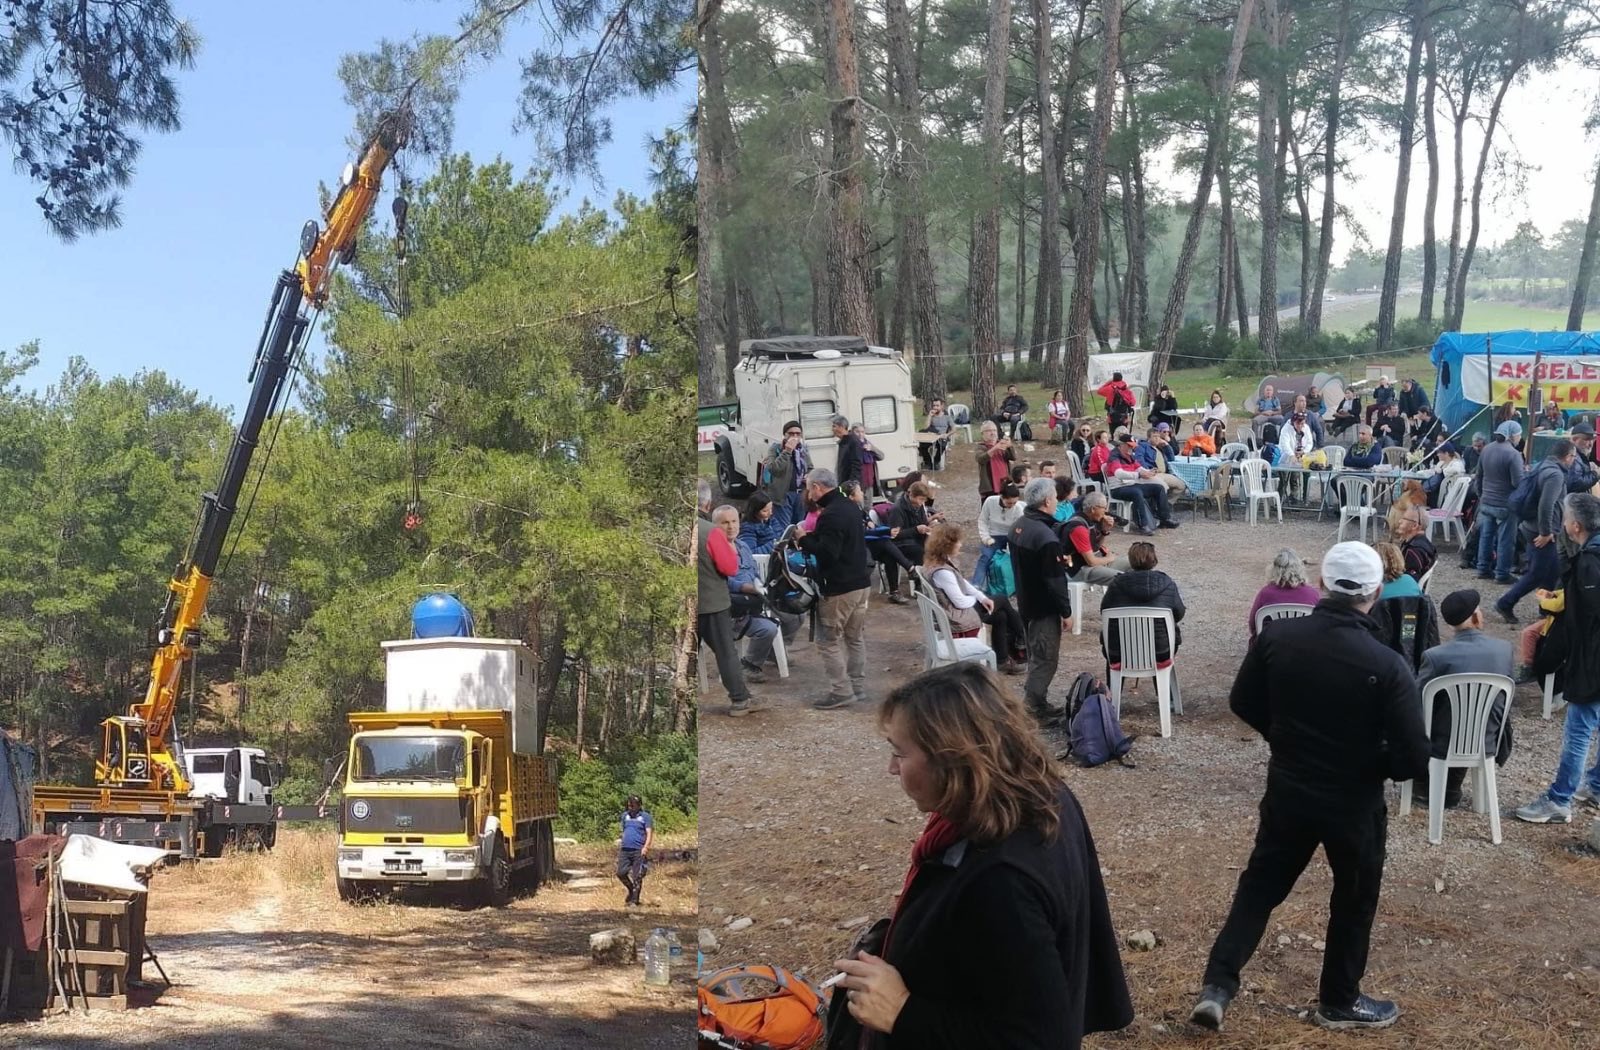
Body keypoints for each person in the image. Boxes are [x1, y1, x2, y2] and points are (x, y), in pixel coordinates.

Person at [1190, 542, 1428, 1034]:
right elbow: (1411, 759)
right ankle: (1339, 1000)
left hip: (1290, 788)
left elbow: (1243, 700)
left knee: (1259, 888)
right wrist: (1370, 762)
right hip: (1354, 801)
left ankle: (1218, 985)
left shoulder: (1279, 639)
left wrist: (1283, 736)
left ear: (1322, 585)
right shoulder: (1386, 665)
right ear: (1377, 592)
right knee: (1354, 897)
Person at [831, 663, 1133, 1048]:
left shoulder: (999, 878)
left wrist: (902, 1011)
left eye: (899, 753)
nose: (891, 768)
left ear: (952, 758)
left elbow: (1042, 1040)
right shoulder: (1043, 794)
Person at [1514, 493, 1600, 823]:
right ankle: (1595, 785)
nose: (1561, 524)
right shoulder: (1588, 556)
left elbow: (1587, 617)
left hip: (1593, 660)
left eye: (1564, 518)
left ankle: (1559, 799)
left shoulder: (1590, 563)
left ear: (1575, 526)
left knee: (1579, 730)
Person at [1414, 590, 1514, 810]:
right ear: (1477, 617)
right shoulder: (1504, 650)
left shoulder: (1436, 656)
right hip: (1487, 738)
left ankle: (1426, 784)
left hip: (1442, 744)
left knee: (1425, 712)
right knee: (1470, 712)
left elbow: (1417, 702)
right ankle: (1451, 786)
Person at [795, 468, 872, 710]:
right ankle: (857, 687)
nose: (808, 492)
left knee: (828, 641)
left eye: (809, 487)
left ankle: (841, 691)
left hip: (840, 588)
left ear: (817, 487)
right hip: (862, 583)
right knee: (855, 637)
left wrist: (803, 539)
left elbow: (828, 554)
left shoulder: (831, 514)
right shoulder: (850, 506)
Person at [1008, 477, 1081, 719]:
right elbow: (1055, 580)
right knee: (1045, 658)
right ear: (1048, 500)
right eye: (1055, 499)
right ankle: (1033, 707)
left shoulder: (1018, 525)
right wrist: (1067, 611)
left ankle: (1034, 701)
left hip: (1025, 601)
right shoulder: (1045, 537)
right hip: (1043, 607)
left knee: (1035, 655)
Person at [923, 524, 1025, 674]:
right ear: (947, 545)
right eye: (957, 541)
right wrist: (977, 599)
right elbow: (960, 602)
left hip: (952, 610)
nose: (961, 544)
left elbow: (963, 583)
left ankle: (1004, 658)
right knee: (1002, 600)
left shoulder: (937, 563)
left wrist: (982, 597)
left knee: (1001, 616)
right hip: (955, 616)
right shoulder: (942, 573)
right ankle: (1022, 636)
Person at [1495, 439, 1577, 623]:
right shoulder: (1555, 475)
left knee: (1553, 570)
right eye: (1573, 457)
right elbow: (1546, 505)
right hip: (1540, 531)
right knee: (1536, 573)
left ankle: (1545, 609)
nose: (1573, 460)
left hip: (1533, 526)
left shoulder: (1543, 465)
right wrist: (1546, 532)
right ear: (1567, 456)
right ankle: (1505, 603)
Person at [698, 480, 760, 717]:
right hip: (711, 603)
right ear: (708, 502)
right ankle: (740, 700)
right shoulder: (711, 532)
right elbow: (730, 567)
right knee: (725, 652)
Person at [717, 504, 797, 684]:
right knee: (767, 628)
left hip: (752, 604)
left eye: (734, 521)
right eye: (725, 523)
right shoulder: (713, 550)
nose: (731, 527)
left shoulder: (743, 546)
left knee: (792, 616)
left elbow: (754, 573)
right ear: (716, 526)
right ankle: (749, 666)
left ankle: (758, 659)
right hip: (729, 610)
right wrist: (742, 587)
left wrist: (759, 585)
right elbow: (719, 580)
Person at [1100, 542, 1184, 675]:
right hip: (1161, 651)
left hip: (1119, 652)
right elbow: (1179, 613)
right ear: (1154, 560)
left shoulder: (1115, 584)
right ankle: (1164, 692)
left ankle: (1114, 692)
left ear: (1130, 561)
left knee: (1114, 641)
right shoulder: (1167, 584)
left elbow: (1104, 612)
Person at [1475, 420, 1526, 584]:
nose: (1520, 438)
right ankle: (1502, 574)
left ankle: (1483, 568)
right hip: (1505, 503)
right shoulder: (1513, 454)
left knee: (1486, 536)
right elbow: (1518, 483)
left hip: (1487, 501)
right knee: (1505, 540)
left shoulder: (1486, 449)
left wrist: (1482, 495)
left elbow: (1479, 477)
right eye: (1519, 434)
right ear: (1512, 435)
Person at [1106, 434, 1181, 533]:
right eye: (1129, 445)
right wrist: (1138, 475)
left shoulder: (1128, 455)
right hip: (1118, 488)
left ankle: (1165, 519)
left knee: (1158, 488)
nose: (1131, 448)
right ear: (1121, 445)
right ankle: (1143, 525)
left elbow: (1138, 467)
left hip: (1131, 484)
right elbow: (1119, 473)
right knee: (1137, 493)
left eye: (1132, 446)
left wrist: (1147, 472)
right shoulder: (1114, 456)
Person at [1246, 549, 1320, 645]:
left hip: (1270, 648)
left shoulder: (1265, 593)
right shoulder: (1312, 594)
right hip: (1303, 648)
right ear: (1300, 569)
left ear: (1274, 570)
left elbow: (1253, 625)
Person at [1058, 491, 1130, 586]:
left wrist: (1104, 531)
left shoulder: (1089, 521)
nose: (1106, 512)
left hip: (1095, 562)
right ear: (1093, 509)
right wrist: (1109, 559)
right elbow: (1091, 561)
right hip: (1081, 569)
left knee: (1135, 562)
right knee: (1125, 579)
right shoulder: (1078, 527)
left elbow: (1095, 548)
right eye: (1104, 508)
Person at [886, 481, 938, 601]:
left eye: (924, 500)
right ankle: (919, 583)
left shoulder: (918, 506)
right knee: (920, 551)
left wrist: (930, 524)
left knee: (935, 546)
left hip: (915, 538)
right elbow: (895, 535)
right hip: (900, 543)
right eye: (920, 499)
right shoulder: (897, 509)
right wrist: (916, 529)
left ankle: (932, 578)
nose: (922, 503)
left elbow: (922, 522)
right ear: (911, 495)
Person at [974, 482, 1024, 591]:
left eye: (1015, 502)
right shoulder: (990, 501)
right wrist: (985, 538)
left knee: (1015, 558)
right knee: (985, 557)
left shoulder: (1018, 509)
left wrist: (1011, 545)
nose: (1012, 505)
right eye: (1009, 503)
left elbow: (1018, 530)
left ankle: (1015, 585)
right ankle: (976, 584)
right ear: (1001, 497)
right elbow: (982, 520)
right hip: (993, 534)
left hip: (1010, 535)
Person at [763, 420, 811, 521]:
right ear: (784, 435)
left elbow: (810, 467)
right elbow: (774, 469)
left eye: (798, 434)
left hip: (800, 493)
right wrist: (787, 451)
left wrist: (808, 475)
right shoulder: (776, 449)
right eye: (791, 433)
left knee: (800, 524)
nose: (794, 436)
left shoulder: (802, 450)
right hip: (783, 495)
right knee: (784, 528)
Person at [616, 794, 652, 907]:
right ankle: (631, 890)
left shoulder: (645, 817)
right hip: (625, 849)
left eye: (633, 804)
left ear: (638, 805)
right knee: (620, 873)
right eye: (629, 804)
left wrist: (646, 847)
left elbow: (649, 833)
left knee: (637, 876)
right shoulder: (624, 816)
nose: (630, 806)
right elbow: (623, 830)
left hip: (638, 850)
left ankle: (634, 901)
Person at [1134, 426, 1188, 499]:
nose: (1157, 438)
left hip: (1164, 474)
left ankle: (1168, 503)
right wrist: (1148, 471)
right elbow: (1139, 459)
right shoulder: (1143, 446)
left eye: (1158, 436)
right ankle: (1160, 506)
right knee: (1163, 487)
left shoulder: (1159, 447)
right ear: (1149, 438)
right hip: (1153, 474)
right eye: (1154, 436)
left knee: (1181, 485)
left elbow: (1171, 458)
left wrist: (1167, 445)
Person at [1391, 503, 1437, 581]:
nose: (1399, 521)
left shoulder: (1414, 550)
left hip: (1409, 591)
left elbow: (1410, 580)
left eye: (1404, 519)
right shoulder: (1426, 543)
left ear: (1414, 526)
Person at [976, 421, 1016, 508]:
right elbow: (980, 459)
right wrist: (995, 448)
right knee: (989, 509)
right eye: (989, 430)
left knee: (1005, 507)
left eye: (994, 430)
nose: (992, 433)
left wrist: (1010, 447)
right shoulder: (981, 447)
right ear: (983, 434)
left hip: (1004, 483)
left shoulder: (1002, 445)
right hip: (989, 485)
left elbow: (1013, 457)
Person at [853, 423, 887, 496]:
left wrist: (872, 449)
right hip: (857, 485)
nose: (860, 434)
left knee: (868, 505)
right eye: (857, 432)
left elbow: (881, 456)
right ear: (852, 433)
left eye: (862, 432)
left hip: (869, 483)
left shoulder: (867, 444)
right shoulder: (850, 446)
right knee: (859, 505)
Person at [921, 397, 953, 470]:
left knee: (942, 446)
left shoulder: (947, 416)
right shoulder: (932, 416)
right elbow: (926, 428)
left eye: (937, 406)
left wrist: (947, 435)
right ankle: (928, 462)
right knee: (922, 444)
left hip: (942, 437)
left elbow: (954, 429)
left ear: (942, 406)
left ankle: (936, 462)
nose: (935, 407)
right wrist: (929, 416)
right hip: (932, 436)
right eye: (934, 406)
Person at [833, 414, 865, 488]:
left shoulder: (853, 441)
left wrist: (852, 483)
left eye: (834, 426)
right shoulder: (843, 442)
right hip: (842, 482)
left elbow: (857, 464)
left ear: (841, 427)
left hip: (850, 485)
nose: (832, 429)